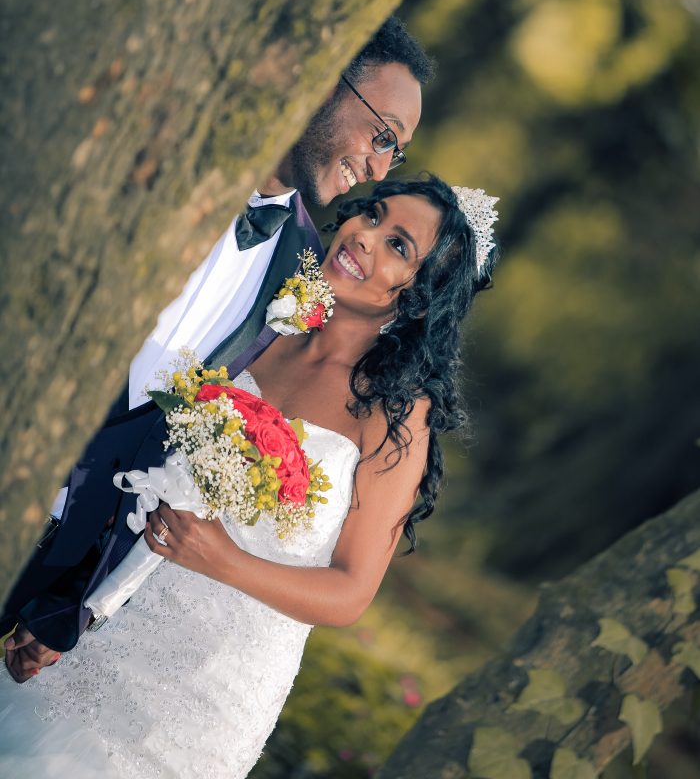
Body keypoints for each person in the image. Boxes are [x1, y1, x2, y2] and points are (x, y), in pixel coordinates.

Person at [0, 175, 498, 779]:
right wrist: (66, 610)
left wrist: (219, 559)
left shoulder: (397, 417)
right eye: (371, 214)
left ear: (419, 294)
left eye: (398, 246)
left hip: (202, 695)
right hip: (104, 623)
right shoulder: (265, 328)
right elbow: (144, 472)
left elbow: (350, 593)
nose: (365, 236)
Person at [0, 15, 432, 667]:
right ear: (327, 75)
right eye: (381, 135)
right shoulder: (160, 152)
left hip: (41, 548)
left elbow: (162, 438)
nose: (375, 166)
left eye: (392, 152)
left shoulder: (301, 274)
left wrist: (68, 596)